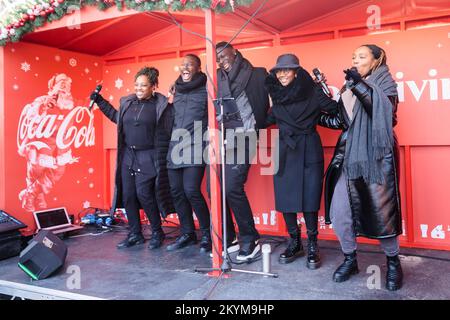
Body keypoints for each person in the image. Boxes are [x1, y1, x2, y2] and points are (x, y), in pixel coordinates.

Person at [317, 44, 403, 290]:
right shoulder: (349, 86)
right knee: (340, 211)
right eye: (353, 56)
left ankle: (394, 263)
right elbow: (341, 122)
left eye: (362, 56)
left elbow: (385, 114)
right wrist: (314, 114)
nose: (355, 60)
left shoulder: (386, 84)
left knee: (382, 213)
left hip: (377, 157)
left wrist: (357, 84)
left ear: (376, 60)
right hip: (350, 156)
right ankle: (350, 258)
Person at [265, 54, 338, 269]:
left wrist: (322, 98)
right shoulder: (276, 95)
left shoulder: (312, 90)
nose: (282, 74)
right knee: (285, 197)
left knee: (310, 198)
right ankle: (294, 241)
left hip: (308, 148)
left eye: (287, 70)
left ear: (296, 71)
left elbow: (333, 109)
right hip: (285, 150)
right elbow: (266, 119)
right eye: (279, 71)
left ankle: (313, 244)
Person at [90, 67, 174, 249]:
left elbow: (169, 130)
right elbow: (116, 117)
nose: (139, 88)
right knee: (128, 195)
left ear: (153, 86)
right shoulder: (127, 102)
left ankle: (157, 232)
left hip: (148, 155)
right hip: (128, 155)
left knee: (145, 194)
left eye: (143, 85)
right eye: (137, 85)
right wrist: (100, 101)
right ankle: (135, 233)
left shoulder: (161, 106)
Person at [215, 41, 270, 261]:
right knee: (215, 190)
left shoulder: (257, 74)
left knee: (232, 187)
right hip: (220, 138)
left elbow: (271, 101)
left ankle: (251, 239)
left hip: (245, 136)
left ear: (234, 51)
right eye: (217, 58)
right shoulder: (216, 78)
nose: (221, 60)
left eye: (223, 54)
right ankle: (230, 239)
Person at [165, 54, 211, 253]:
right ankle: (187, 233)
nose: (185, 68)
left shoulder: (207, 89)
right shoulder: (176, 89)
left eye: (189, 65)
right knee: (176, 192)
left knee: (191, 190)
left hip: (196, 146)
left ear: (198, 68)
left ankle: (208, 233)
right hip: (175, 146)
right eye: (182, 65)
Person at [18, 73, 79, 212]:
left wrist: (97, 99)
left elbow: (87, 105)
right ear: (53, 85)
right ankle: (37, 197)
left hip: (61, 147)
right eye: (61, 82)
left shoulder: (71, 103)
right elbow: (32, 115)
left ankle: (31, 193)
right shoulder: (43, 100)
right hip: (42, 145)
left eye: (68, 83)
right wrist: (44, 106)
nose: (65, 85)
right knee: (36, 172)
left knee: (57, 172)